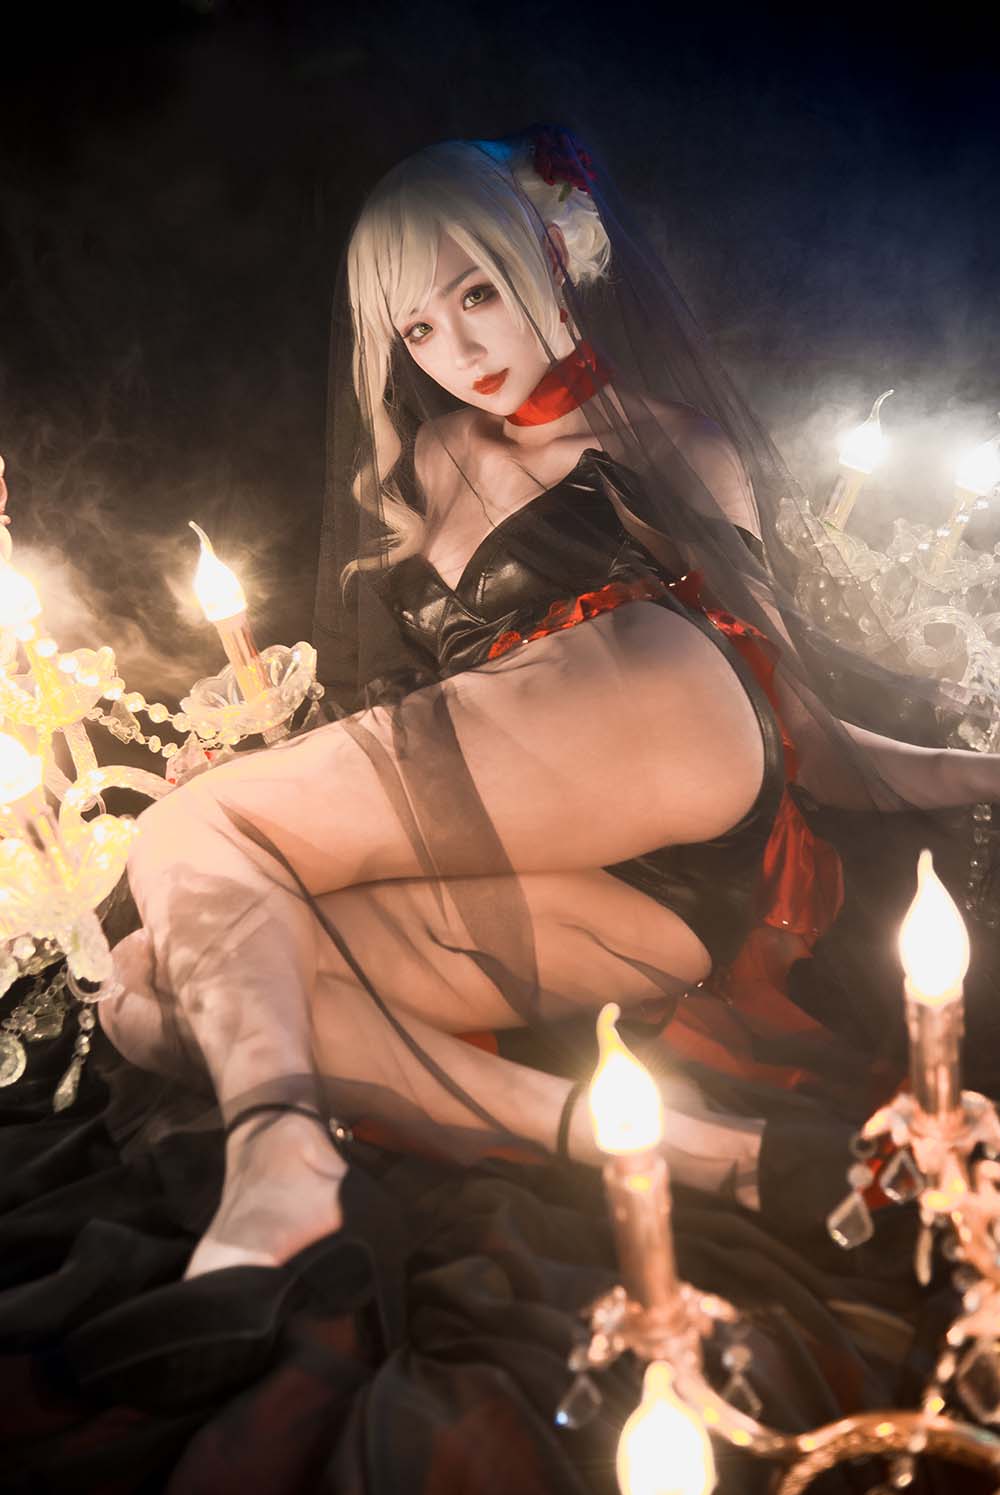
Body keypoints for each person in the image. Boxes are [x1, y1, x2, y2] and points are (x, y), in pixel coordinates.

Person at [95, 128, 1000, 1293]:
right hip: (615, 899)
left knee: (189, 833)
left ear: (556, 253)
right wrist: (286, 778)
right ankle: (724, 1158)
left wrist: (971, 767)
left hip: (667, 718)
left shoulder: (669, 445)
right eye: (419, 329)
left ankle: (276, 1164)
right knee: (152, 984)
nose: (459, 350)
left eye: (477, 293)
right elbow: (438, 718)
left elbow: (812, 733)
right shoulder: (427, 460)